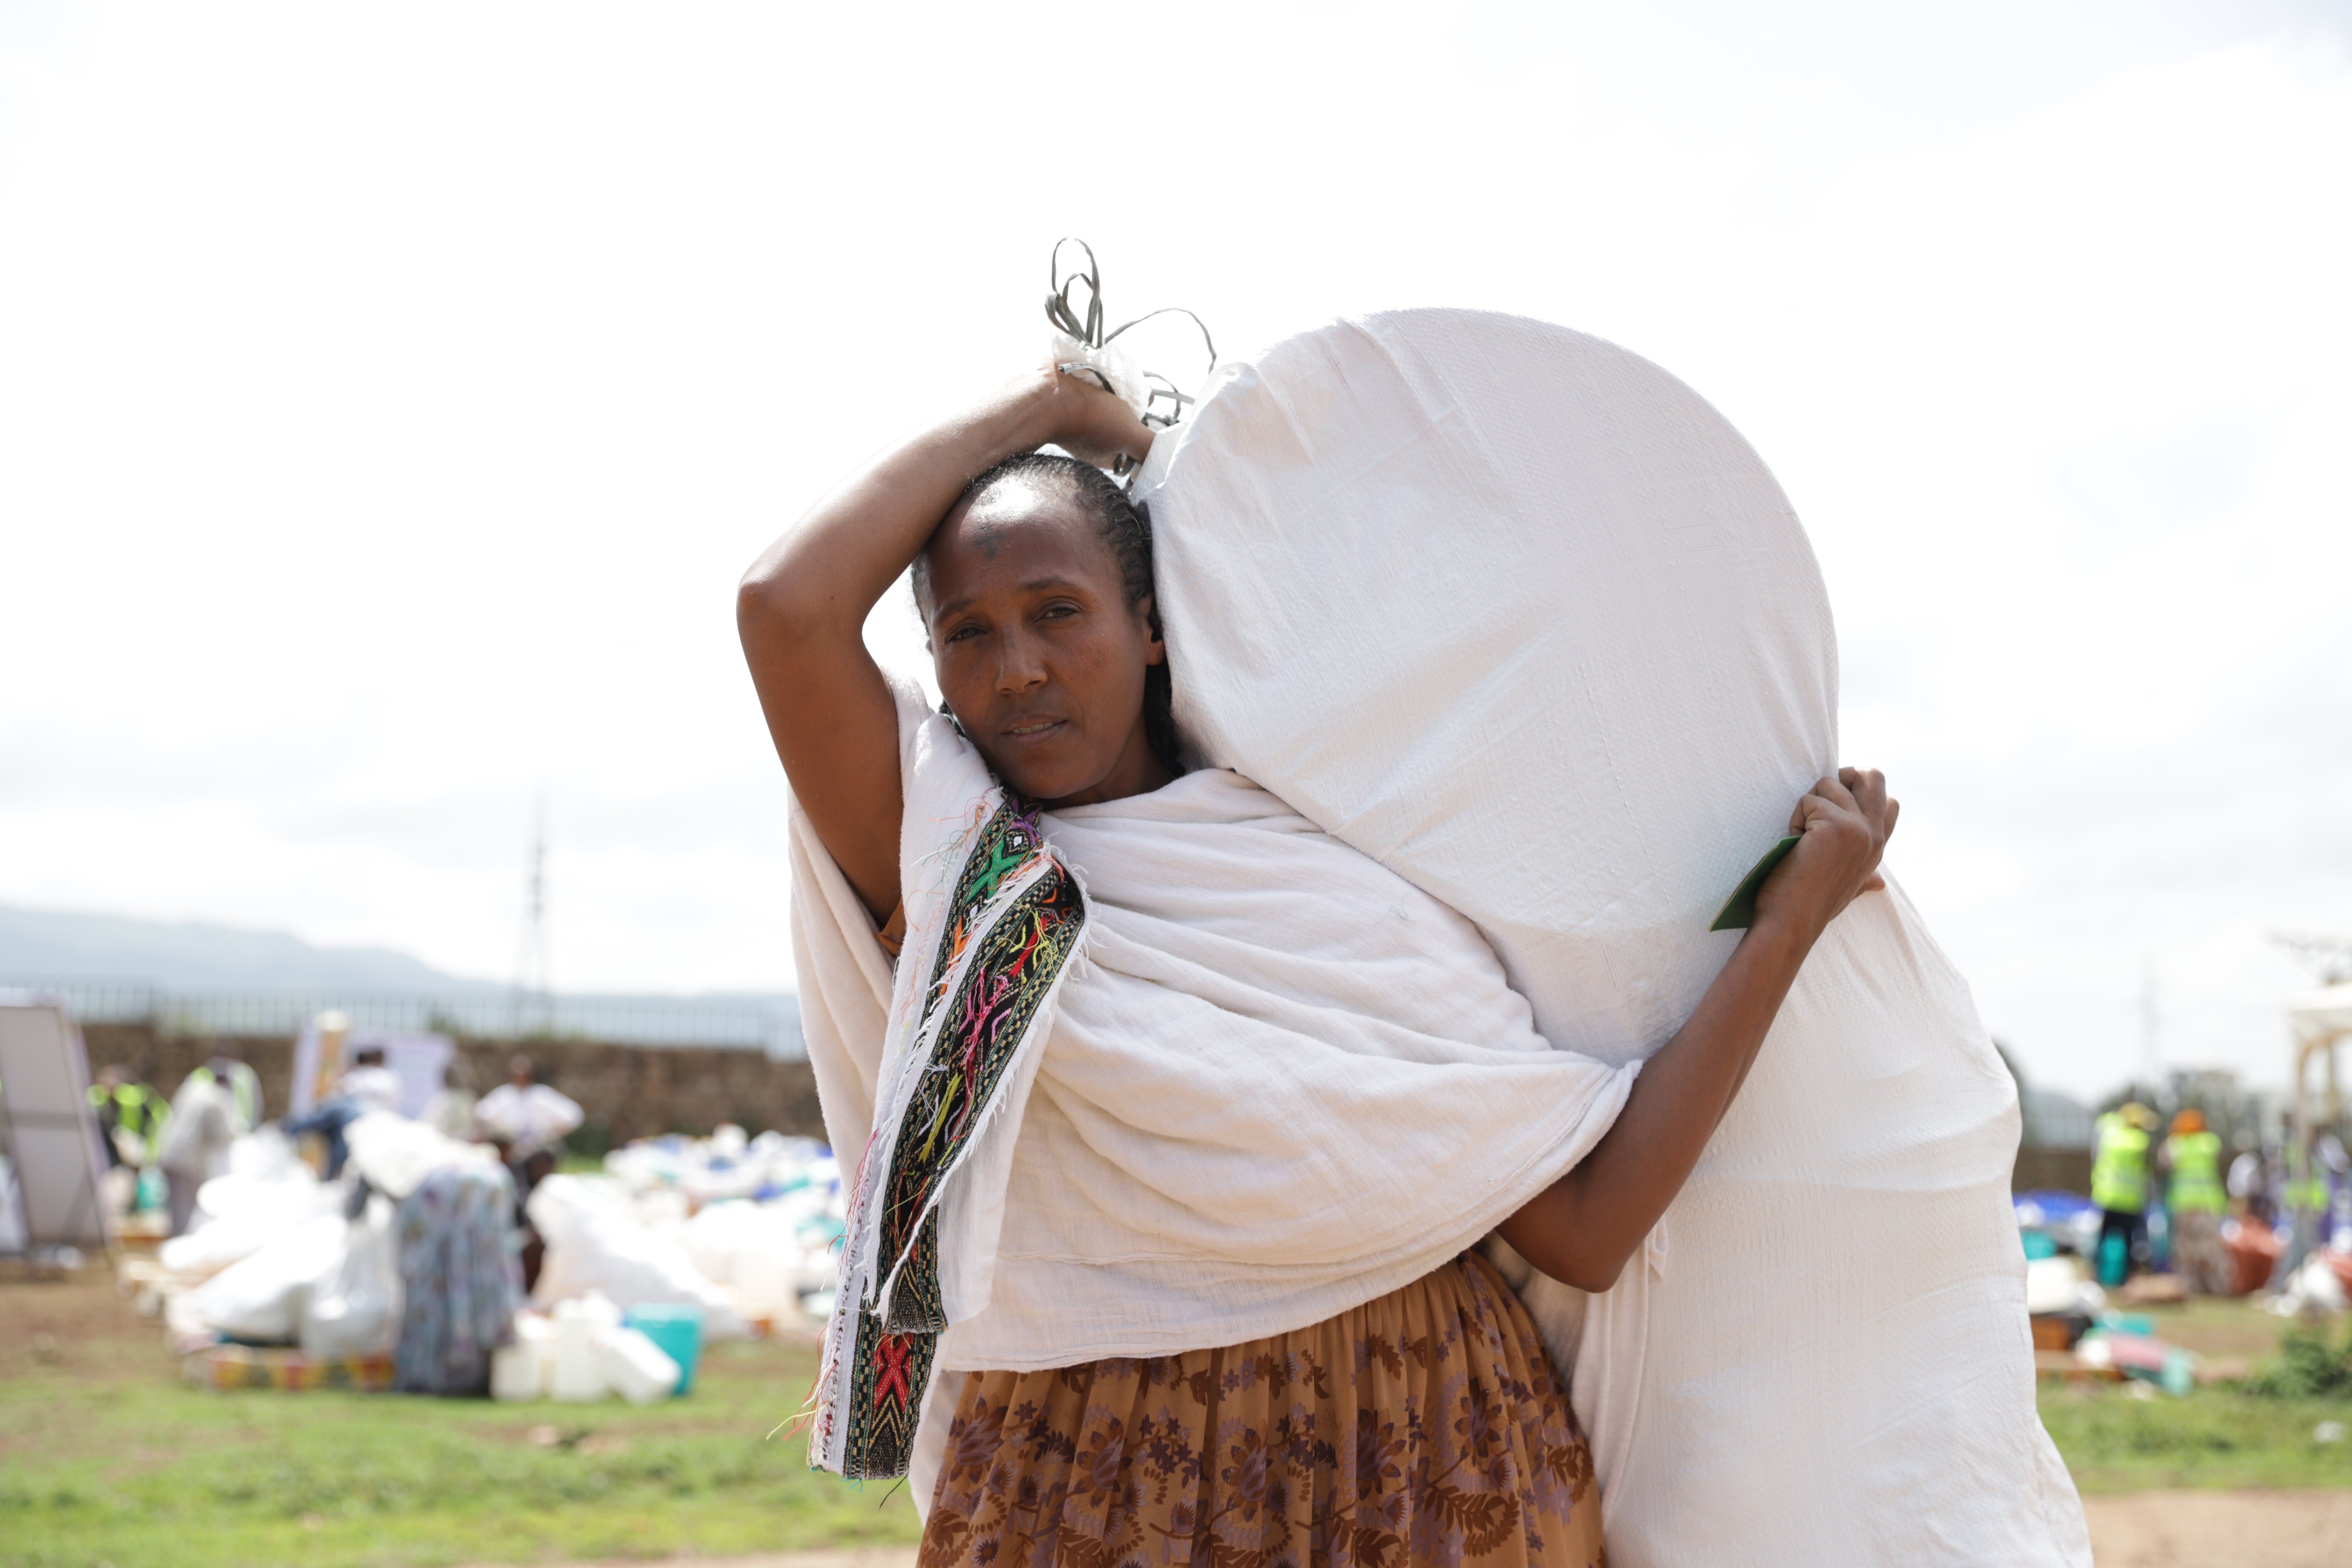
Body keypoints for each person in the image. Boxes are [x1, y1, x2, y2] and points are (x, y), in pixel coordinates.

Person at [738, 362, 1898, 1565]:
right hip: (1093, 1490)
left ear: (1148, 630)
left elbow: (1591, 1228)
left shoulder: (1334, 880)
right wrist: (1054, 407)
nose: (1017, 667)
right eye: (967, 635)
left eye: (1057, 610)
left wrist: (1786, 927)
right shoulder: (960, 882)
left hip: (1425, 1465)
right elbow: (785, 607)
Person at [157, 1060, 241, 1236]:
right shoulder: (217, 1100)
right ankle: (178, 1247)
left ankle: (176, 1242)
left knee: (177, 1209)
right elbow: (218, 1136)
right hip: (187, 1162)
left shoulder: (193, 1089)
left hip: (169, 1154)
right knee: (185, 1213)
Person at [2161, 1109, 2229, 1294]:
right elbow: (2221, 1161)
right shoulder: (2210, 1143)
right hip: (2208, 1204)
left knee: (2186, 1250)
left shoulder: (2174, 1146)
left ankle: (2191, 1287)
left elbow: (2163, 1164)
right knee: (2210, 1249)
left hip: (2183, 1205)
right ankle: (2218, 1287)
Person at [2090, 1101, 2156, 1286]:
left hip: (2107, 1197)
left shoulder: (2110, 1137)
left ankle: (2098, 1276)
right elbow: (2147, 1172)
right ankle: (2124, 1280)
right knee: (2128, 1243)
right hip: (2131, 1201)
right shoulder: (2140, 1141)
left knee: (2102, 1240)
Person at [184, 1047, 262, 1134]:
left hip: (240, 1134)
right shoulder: (199, 1077)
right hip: (205, 1136)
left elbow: (255, 1107)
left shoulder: (244, 1077)